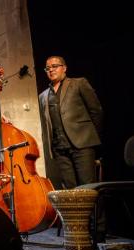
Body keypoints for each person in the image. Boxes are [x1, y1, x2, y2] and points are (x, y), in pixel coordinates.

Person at [39, 56, 103, 188]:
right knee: (70, 190)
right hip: (60, 150)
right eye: (47, 68)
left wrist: (89, 137)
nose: (51, 70)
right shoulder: (43, 96)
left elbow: (96, 111)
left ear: (64, 68)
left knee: (88, 188)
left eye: (55, 66)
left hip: (82, 145)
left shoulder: (79, 83)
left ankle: (94, 210)